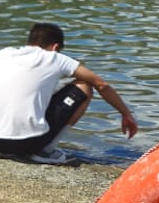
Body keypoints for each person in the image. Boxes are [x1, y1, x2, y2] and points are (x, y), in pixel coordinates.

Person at [0, 23, 138, 161]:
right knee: (84, 85)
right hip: (23, 145)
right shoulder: (55, 58)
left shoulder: (5, 54)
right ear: (55, 47)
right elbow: (101, 84)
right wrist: (126, 114)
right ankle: (45, 151)